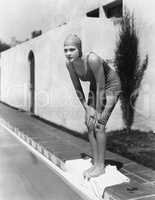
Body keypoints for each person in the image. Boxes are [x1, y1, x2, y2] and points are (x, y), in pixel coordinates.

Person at [64, 34, 121, 179]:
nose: (68, 53)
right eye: (65, 50)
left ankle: (101, 167)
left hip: (110, 86)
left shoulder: (92, 59)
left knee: (99, 125)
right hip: (96, 88)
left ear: (80, 49)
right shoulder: (69, 64)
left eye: (72, 49)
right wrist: (87, 109)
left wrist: (96, 111)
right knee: (89, 123)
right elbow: (77, 87)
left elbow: (102, 87)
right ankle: (96, 163)